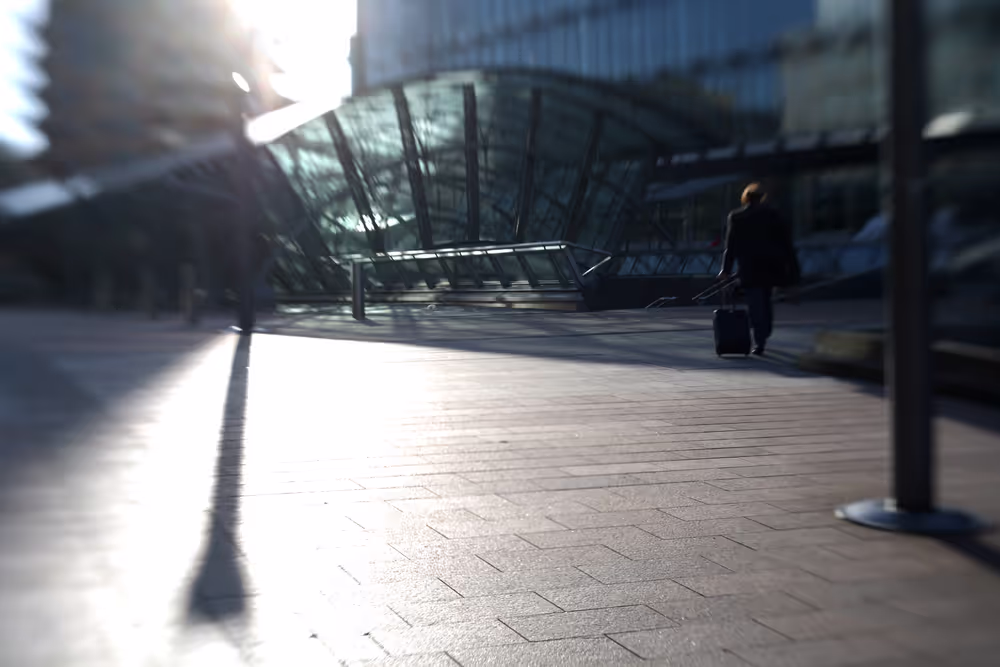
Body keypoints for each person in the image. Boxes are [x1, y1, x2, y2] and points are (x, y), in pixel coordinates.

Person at [717, 183, 800, 356]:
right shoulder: (773, 215)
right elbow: (786, 244)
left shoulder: (737, 216)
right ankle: (765, 331)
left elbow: (730, 246)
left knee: (755, 304)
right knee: (766, 300)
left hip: (749, 267)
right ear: (762, 198)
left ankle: (760, 340)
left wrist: (725, 269)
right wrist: (792, 269)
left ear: (745, 198)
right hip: (772, 266)